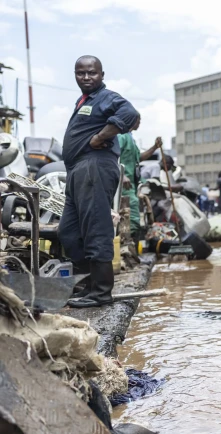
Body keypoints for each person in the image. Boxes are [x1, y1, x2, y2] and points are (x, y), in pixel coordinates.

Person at [60, 55, 139, 308]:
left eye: (91, 73)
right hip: (77, 172)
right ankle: (87, 286)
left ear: (101, 75)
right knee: (69, 232)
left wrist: (100, 137)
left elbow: (131, 114)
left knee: (96, 229)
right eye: (80, 73)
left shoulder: (106, 97)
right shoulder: (84, 100)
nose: (86, 77)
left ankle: (101, 293)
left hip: (95, 167)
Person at [118, 117, 162, 243]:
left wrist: (154, 147)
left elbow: (139, 158)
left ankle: (129, 249)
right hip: (123, 186)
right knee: (131, 220)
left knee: (133, 220)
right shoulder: (121, 137)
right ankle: (126, 249)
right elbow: (111, 156)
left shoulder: (131, 138)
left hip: (131, 186)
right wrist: (121, 174)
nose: (140, 123)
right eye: (139, 120)